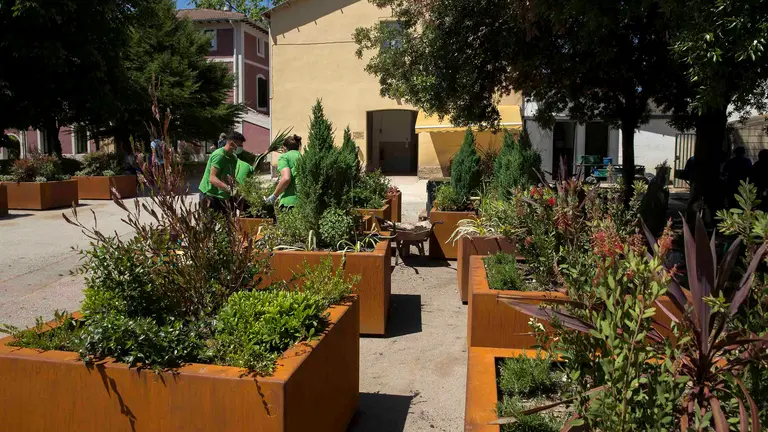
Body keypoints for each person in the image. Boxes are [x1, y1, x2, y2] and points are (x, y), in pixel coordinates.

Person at [198, 131, 255, 214]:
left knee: (227, 223)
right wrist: (229, 189)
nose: (241, 147)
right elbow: (212, 178)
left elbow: (230, 177)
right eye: (240, 145)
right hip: (210, 194)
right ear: (232, 143)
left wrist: (239, 189)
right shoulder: (219, 156)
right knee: (209, 224)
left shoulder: (233, 157)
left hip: (222, 195)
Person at [266, 134, 301, 209]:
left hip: (289, 202)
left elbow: (286, 178)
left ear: (284, 148)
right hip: (302, 201)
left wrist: (274, 196)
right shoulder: (304, 157)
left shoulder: (284, 157)